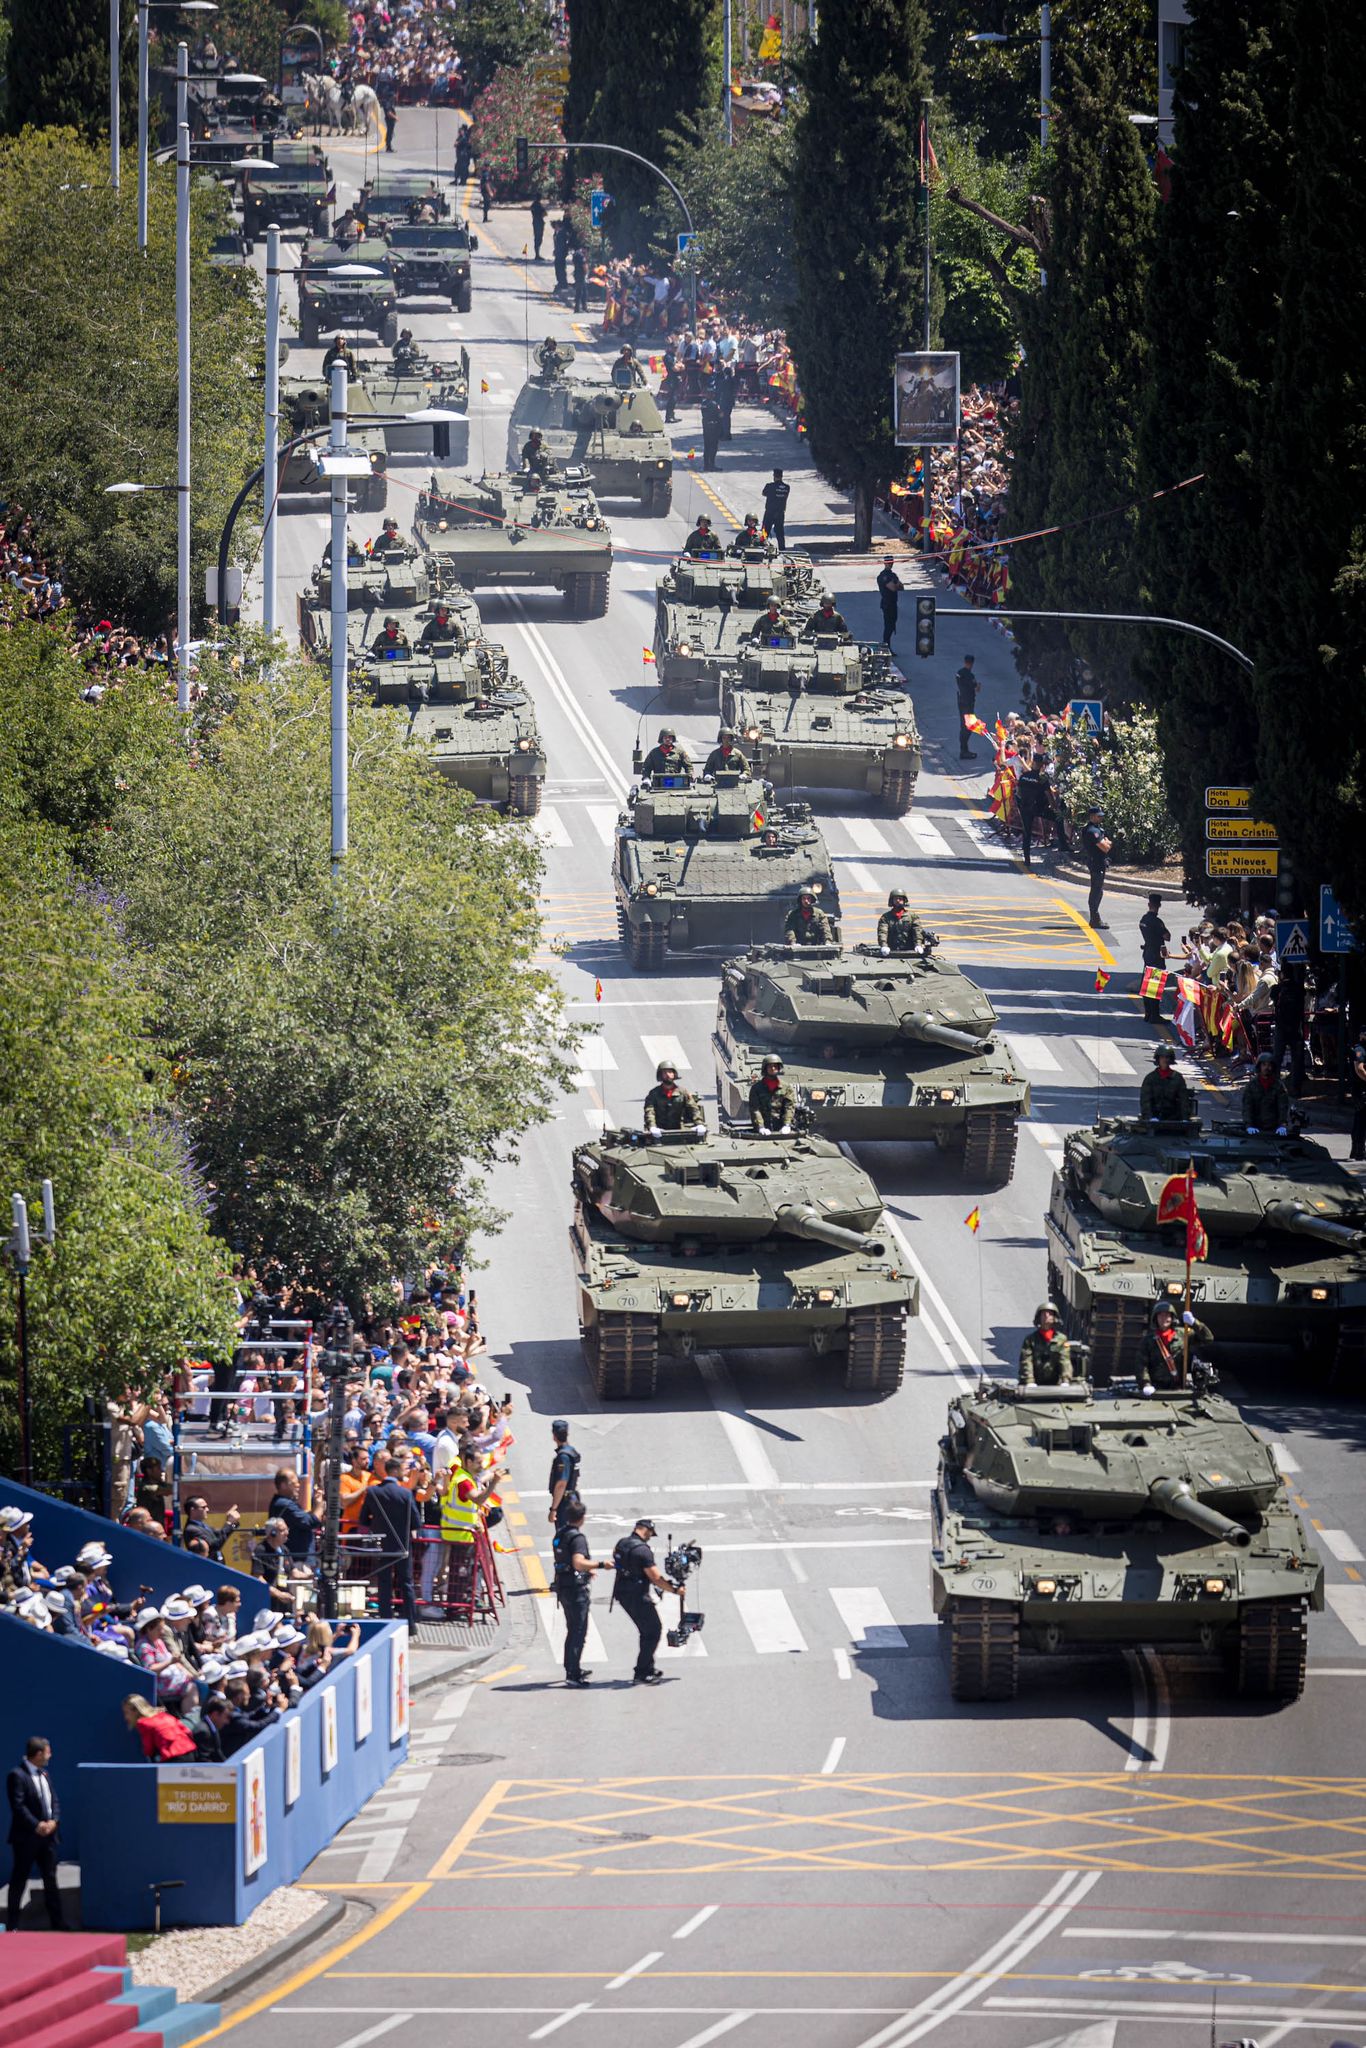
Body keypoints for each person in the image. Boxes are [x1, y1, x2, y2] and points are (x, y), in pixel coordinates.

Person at [610, 1517, 680, 1684]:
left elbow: (617, 1559)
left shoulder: (622, 1543)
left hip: (622, 1593)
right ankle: (642, 1671)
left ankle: (648, 1666)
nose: (650, 1537)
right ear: (646, 1530)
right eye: (650, 1533)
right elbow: (655, 1577)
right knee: (653, 1631)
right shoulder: (643, 1551)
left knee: (646, 1631)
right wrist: (675, 1590)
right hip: (637, 1595)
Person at [5, 1737, 65, 1932]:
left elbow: (53, 1800)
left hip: (47, 1838)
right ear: (39, 1754)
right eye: (48, 1752)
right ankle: (12, 1924)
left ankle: (57, 1923)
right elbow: (18, 1805)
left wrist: (54, 1821)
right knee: (19, 1878)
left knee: (50, 1878)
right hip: (26, 1839)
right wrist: (36, 1825)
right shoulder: (17, 1775)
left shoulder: (44, 1774)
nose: (50, 1756)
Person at [358, 1461, 421, 1625]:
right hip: (402, 1544)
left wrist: (378, 1523)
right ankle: (411, 1623)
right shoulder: (406, 1494)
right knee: (406, 1583)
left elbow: (363, 1518)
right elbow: (416, 1522)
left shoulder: (373, 1492)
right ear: (395, 1470)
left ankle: (385, 1620)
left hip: (382, 1543)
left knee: (384, 1583)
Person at [552, 1502, 603, 1687]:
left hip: (563, 1586)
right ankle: (573, 1673)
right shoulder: (578, 1538)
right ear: (582, 1518)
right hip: (575, 1589)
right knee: (578, 1631)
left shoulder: (560, 1534)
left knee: (572, 1629)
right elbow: (578, 1562)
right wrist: (600, 1565)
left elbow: (562, 1559)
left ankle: (572, 1667)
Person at [1137, 1300, 1213, 1392]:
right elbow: (1141, 1364)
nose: (1164, 1318)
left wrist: (1194, 1323)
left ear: (1172, 1317)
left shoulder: (1184, 1334)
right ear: (1155, 1318)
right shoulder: (1148, 1340)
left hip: (1180, 1386)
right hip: (1156, 1387)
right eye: (1160, 1315)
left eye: (1167, 1315)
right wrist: (1146, 1384)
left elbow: (1208, 1339)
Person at [121, 1694, 196, 1761]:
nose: (125, 1717)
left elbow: (148, 1749)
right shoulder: (164, 1715)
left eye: (126, 1712)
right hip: (190, 1752)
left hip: (173, 1757)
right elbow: (187, 1731)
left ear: (135, 1711)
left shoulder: (143, 1723)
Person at [268, 1469, 321, 1561]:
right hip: (297, 1560)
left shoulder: (285, 1503)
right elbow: (310, 1522)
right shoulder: (284, 1505)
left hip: (299, 1558)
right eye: (294, 1483)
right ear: (283, 1485)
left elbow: (306, 1518)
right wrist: (320, 1507)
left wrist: (316, 1504)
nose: (298, 1485)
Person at [1017, 1304, 1075, 1387]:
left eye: (1050, 1313)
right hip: (1034, 1382)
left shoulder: (1062, 1339)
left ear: (1055, 1318)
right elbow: (1026, 1361)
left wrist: (1065, 1380)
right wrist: (1029, 1380)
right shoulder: (1030, 1340)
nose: (1046, 1316)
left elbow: (1065, 1360)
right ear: (1039, 1318)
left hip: (1056, 1382)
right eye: (1043, 1314)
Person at [642, 1061, 705, 1134]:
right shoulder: (654, 1093)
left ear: (674, 1074)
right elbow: (649, 1111)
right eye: (664, 1072)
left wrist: (699, 1124)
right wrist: (652, 1126)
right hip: (659, 1131)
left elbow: (693, 1108)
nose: (667, 1075)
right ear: (660, 1075)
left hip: (680, 1130)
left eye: (670, 1072)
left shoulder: (683, 1092)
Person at [1139, 1044, 1193, 1124]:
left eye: (1167, 1057)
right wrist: (1149, 1117)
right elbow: (1145, 1100)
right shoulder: (1150, 1078)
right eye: (1162, 1057)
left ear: (1171, 1059)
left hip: (1174, 1118)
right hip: (1154, 1118)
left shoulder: (1177, 1078)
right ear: (1158, 1059)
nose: (1165, 1060)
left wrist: (1185, 1118)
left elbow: (1183, 1099)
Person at [1242, 1050, 1292, 1134]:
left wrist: (1282, 1125)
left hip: (1274, 1129)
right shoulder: (1251, 1086)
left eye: (1269, 1065)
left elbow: (1283, 1107)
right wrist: (1249, 1125)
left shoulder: (1278, 1086)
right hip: (1256, 1129)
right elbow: (1247, 1107)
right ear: (1259, 1067)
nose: (1266, 1068)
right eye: (1264, 1065)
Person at [1015, 755, 1050, 871]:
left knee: (1027, 833)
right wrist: (1055, 809)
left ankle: (1027, 859)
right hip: (1040, 809)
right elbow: (1049, 796)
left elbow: (1018, 793)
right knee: (1059, 819)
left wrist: (1020, 806)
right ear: (1041, 765)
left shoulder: (1024, 776)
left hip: (1026, 808)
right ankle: (1063, 847)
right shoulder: (1042, 779)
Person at [1140, 894, 1171, 1022]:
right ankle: (1154, 1015)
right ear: (1159, 906)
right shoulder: (1157, 922)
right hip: (1156, 955)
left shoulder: (1144, 919)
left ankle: (1148, 1013)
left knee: (1146, 985)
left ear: (1149, 904)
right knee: (1155, 986)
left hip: (1147, 953)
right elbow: (1167, 936)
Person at [1080, 804, 1111, 929]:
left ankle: (1095, 918)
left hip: (1097, 862)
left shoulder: (1094, 829)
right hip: (1096, 863)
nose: (1101, 819)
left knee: (1098, 891)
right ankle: (1094, 918)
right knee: (1096, 891)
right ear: (1092, 816)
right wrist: (1108, 842)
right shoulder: (1093, 831)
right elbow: (1105, 847)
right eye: (1098, 816)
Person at [548, 1420, 581, 1533]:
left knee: (563, 1535)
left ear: (554, 1436)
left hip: (564, 1502)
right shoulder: (571, 1451)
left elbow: (561, 1484)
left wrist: (554, 1509)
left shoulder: (563, 1457)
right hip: (571, 1498)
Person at [181, 1495, 239, 1559]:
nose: (207, 1509)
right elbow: (215, 1545)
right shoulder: (192, 1529)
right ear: (193, 1510)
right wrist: (229, 1523)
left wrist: (233, 1523)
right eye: (203, 1507)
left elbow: (221, 1534)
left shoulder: (201, 1526)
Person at [749, 1055, 796, 1133]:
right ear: (765, 1068)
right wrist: (760, 1127)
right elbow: (755, 1109)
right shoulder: (756, 1088)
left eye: (775, 1066)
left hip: (781, 1127)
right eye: (770, 1066)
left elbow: (789, 1107)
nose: (773, 1068)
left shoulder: (786, 1087)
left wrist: (787, 1125)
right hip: (763, 1127)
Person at [954, 655, 979, 761]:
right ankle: (964, 751)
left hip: (961, 702)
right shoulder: (970, 675)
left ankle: (964, 749)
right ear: (972, 663)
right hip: (968, 704)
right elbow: (976, 688)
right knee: (968, 727)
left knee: (964, 726)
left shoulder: (959, 673)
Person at [876, 556, 903, 647]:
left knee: (892, 625)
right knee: (888, 626)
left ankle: (887, 645)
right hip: (887, 604)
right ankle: (885, 645)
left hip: (893, 603)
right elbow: (893, 588)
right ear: (885, 563)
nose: (890, 564)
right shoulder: (883, 576)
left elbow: (901, 587)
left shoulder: (893, 575)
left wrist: (896, 584)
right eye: (889, 563)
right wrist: (896, 584)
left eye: (892, 563)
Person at [761, 469, 789, 550]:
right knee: (780, 532)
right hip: (780, 513)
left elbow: (763, 493)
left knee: (765, 531)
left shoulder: (769, 486)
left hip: (769, 513)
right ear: (781, 476)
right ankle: (782, 549)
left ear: (774, 476)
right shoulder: (787, 487)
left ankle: (762, 546)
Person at [700, 375, 723, 471]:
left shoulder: (703, 404)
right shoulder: (714, 404)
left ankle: (706, 465)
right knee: (713, 447)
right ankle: (711, 465)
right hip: (713, 427)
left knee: (707, 447)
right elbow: (720, 415)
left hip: (706, 427)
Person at [1350, 1036, 1366, 1162]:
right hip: (1361, 1090)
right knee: (1361, 1120)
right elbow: (1360, 1070)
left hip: (1360, 1089)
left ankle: (1356, 1151)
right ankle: (1359, 1151)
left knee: (1359, 1119)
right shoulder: (1360, 1050)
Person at [572, 243, 589, 314]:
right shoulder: (581, 255)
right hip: (581, 275)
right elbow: (584, 265)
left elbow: (573, 262)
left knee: (582, 291)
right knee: (581, 292)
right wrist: (586, 273)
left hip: (576, 274)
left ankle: (582, 307)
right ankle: (578, 308)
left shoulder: (576, 253)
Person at [530, 194, 546, 261]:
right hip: (539, 222)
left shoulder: (533, 205)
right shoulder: (539, 205)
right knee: (538, 238)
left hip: (535, 221)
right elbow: (544, 213)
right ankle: (537, 254)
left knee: (537, 238)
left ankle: (537, 254)